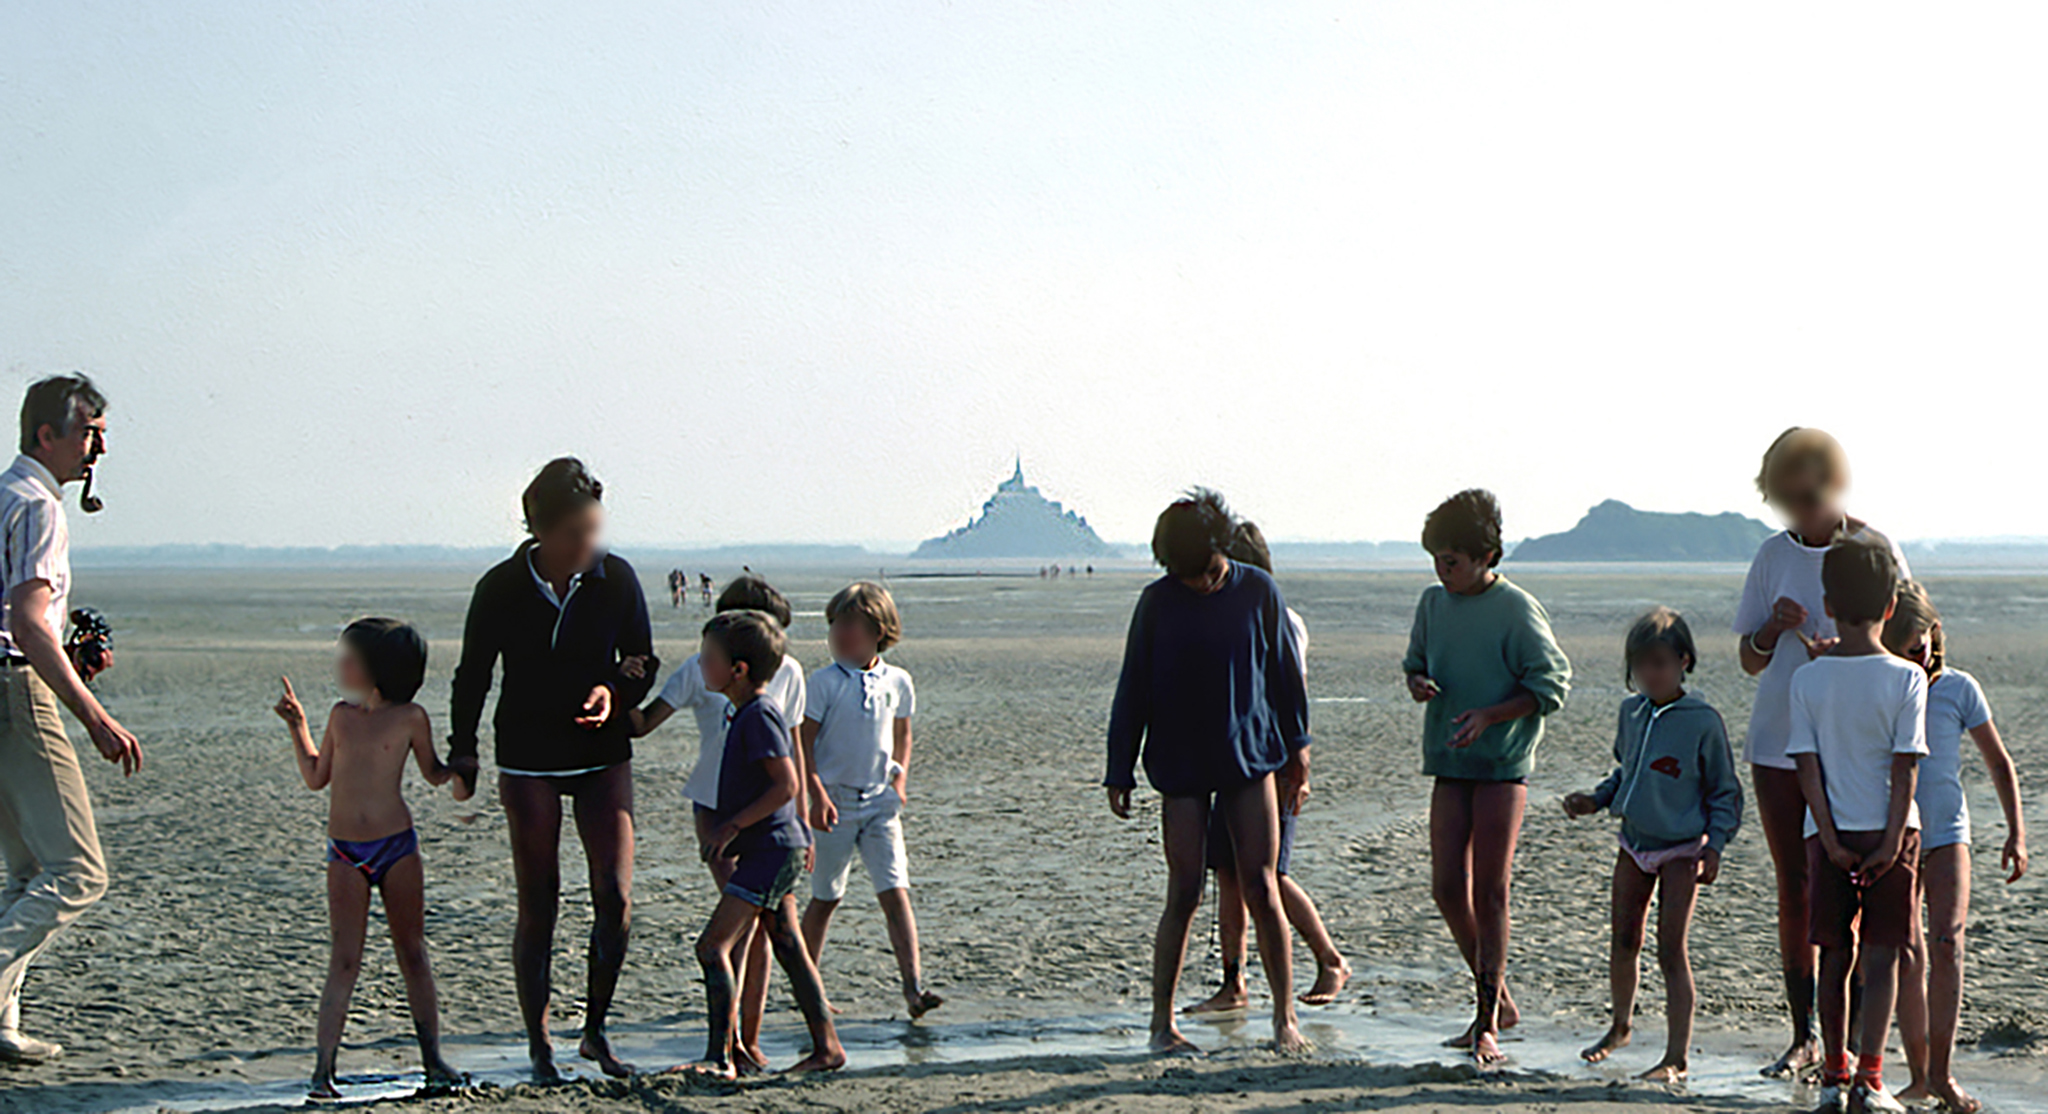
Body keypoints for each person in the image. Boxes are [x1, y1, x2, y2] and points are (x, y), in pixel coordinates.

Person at [447, 458, 656, 1082]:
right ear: (540, 530)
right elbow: (474, 675)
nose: (589, 546)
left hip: (601, 757)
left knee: (614, 898)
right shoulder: (500, 587)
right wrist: (464, 751)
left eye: (595, 531)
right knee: (539, 901)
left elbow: (641, 657)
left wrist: (612, 693)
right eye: (575, 535)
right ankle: (540, 1044)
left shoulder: (615, 578)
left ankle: (594, 1032)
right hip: (529, 758)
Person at [1106, 489, 1311, 1055]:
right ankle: (1161, 1024)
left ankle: (1283, 1018)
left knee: (1262, 885)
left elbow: (1284, 677)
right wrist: (1117, 767)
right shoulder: (1158, 601)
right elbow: (1134, 686)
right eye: (1183, 574)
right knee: (1185, 891)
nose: (1195, 583)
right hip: (1181, 763)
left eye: (1203, 573)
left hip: (1250, 756)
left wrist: (1300, 750)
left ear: (1221, 551)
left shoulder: (1257, 592)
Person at [1734, 427, 1911, 1080]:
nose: (1802, 511)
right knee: (1797, 888)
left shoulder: (1873, 547)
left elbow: (1909, 635)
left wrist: (1845, 654)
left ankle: (1858, 1041)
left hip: (1855, 745)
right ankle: (1804, 1034)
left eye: (1810, 495)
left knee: (1860, 885)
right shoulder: (1770, 556)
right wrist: (1772, 629)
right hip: (1780, 742)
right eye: (1790, 499)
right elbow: (1749, 661)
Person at [0, 374, 142, 1064]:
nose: (96, 450)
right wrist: (93, 716)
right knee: (79, 872)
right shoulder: (37, 507)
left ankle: (2, 1024)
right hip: (14, 692)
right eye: (89, 434)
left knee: (30, 872)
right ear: (45, 435)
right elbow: (27, 625)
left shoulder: (5, 496)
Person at [1402, 489, 1571, 1066]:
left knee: (1489, 889)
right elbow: (1415, 664)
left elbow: (1552, 686)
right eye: (1436, 560)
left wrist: (1490, 716)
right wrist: (1420, 684)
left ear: (1485, 555)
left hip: (1502, 765)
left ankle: (1484, 1020)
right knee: (1447, 886)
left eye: (1452, 560)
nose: (1442, 571)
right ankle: (1501, 1001)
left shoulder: (1517, 608)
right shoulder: (1432, 603)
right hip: (1449, 761)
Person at [274, 620, 467, 1099]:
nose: (341, 665)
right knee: (344, 960)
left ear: (378, 670)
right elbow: (317, 777)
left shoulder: (411, 718)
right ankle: (323, 1072)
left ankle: (433, 1061)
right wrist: (297, 725)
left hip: (397, 846)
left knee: (413, 953)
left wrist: (462, 773)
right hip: (344, 852)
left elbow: (433, 773)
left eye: (350, 657)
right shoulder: (340, 716)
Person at [628, 575, 809, 1073]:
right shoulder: (701, 667)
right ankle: (729, 1044)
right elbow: (643, 723)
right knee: (744, 924)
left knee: (772, 928)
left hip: (770, 815)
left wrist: (806, 818)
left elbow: (790, 754)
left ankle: (745, 1042)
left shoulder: (786, 671)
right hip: (716, 807)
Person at [1565, 608, 1742, 1083]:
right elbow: (1627, 773)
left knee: (1670, 949)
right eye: (1641, 665)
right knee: (1624, 940)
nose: (1650, 674)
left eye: (1660, 663)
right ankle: (1620, 1026)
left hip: (1682, 849)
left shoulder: (1702, 721)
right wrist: (1597, 800)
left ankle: (1676, 1056)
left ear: (1684, 661)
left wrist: (1715, 846)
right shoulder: (1632, 712)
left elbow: (1725, 791)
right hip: (1634, 843)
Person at [1184, 521, 1350, 1015]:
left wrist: (1295, 761)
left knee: (1268, 874)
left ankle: (1330, 958)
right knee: (1228, 874)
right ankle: (1233, 981)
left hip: (1269, 759)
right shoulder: (1227, 616)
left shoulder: (1281, 618)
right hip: (1233, 760)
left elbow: (1289, 694)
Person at [1789, 540, 1926, 1114]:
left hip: (1828, 834)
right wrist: (1893, 840)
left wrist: (1829, 837)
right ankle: (1870, 1079)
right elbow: (1905, 766)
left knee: (1833, 955)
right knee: (1882, 954)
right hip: (1890, 832)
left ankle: (1833, 1077)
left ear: (1827, 603)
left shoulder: (1809, 680)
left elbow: (1807, 767)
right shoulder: (1907, 678)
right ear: (1891, 606)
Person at [1882, 582, 2027, 1114]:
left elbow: (1999, 762)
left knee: (1948, 943)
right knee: (1906, 950)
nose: (1913, 660)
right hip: (1896, 834)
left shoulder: (1960, 688)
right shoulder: (1886, 686)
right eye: (1900, 651)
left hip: (1949, 834)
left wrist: (2016, 831)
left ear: (1934, 634)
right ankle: (1919, 1075)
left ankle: (1943, 1074)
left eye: (1918, 647)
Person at [682, 611, 843, 1079]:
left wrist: (730, 826)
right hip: (772, 848)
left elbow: (785, 785)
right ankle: (827, 1047)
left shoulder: (760, 714)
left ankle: (720, 1058)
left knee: (713, 947)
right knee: (788, 946)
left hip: (773, 851)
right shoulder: (743, 711)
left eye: (708, 658)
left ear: (739, 670)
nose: (700, 664)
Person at [798, 582, 943, 1019]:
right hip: (833, 805)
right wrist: (816, 793)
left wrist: (900, 779)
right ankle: (809, 989)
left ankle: (914, 988)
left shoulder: (897, 680)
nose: (842, 635)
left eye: (852, 626)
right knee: (826, 897)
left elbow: (903, 732)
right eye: (836, 625)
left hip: (880, 803)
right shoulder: (822, 683)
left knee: (895, 890)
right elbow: (803, 743)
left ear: (878, 631)